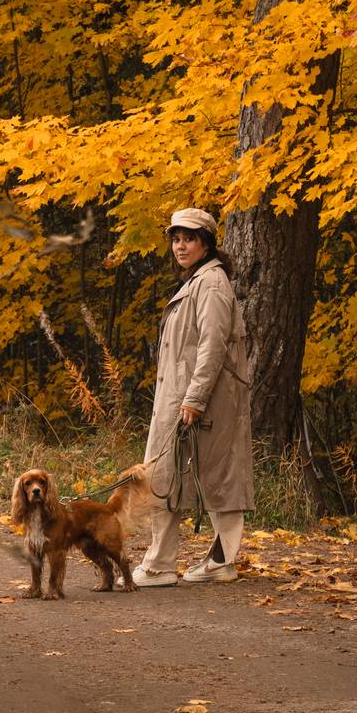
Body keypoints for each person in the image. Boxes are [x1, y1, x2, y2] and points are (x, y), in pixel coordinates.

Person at [129, 207, 254, 586]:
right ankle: (208, 562)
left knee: (199, 476)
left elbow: (213, 347)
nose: (180, 246)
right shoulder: (199, 281)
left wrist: (195, 399)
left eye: (189, 239)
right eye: (176, 239)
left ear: (206, 243)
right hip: (186, 397)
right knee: (180, 475)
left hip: (199, 400)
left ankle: (164, 565)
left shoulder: (212, 284)